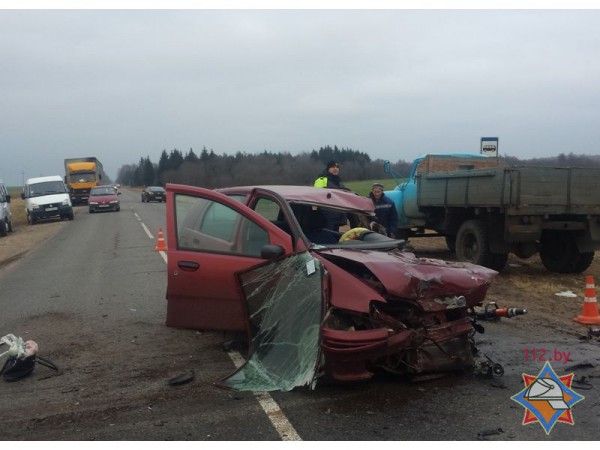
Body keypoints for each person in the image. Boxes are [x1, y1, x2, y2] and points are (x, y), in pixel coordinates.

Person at [313, 160, 346, 230]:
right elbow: (316, 195)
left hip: (337, 214)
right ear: (328, 169)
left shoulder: (339, 182)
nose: (335, 169)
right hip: (326, 215)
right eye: (333, 167)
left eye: (337, 167)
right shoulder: (322, 180)